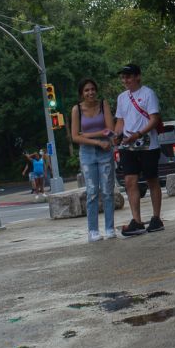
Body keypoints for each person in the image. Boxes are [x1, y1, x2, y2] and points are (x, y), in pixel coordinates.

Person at [112, 64, 165, 237]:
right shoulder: (121, 98)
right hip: (128, 144)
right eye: (123, 77)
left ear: (137, 77)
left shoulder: (148, 94)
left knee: (151, 179)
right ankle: (137, 220)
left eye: (128, 76)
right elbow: (120, 120)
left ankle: (156, 218)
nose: (125, 80)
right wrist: (116, 134)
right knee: (129, 181)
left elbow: (154, 119)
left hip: (147, 143)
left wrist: (139, 133)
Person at [71, 78, 116, 241]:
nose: (90, 93)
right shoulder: (77, 109)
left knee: (107, 191)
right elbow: (75, 137)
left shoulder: (103, 105)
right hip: (88, 153)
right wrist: (97, 139)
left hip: (105, 152)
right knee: (91, 192)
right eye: (86, 90)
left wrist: (88, 134)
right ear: (81, 93)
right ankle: (93, 231)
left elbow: (110, 131)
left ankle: (110, 228)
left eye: (92, 89)